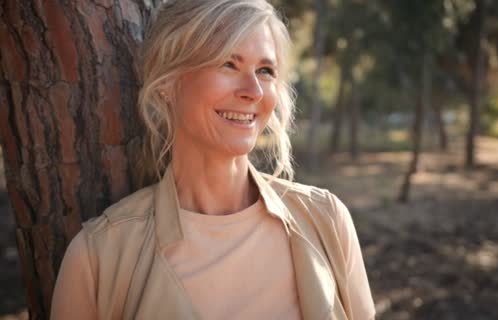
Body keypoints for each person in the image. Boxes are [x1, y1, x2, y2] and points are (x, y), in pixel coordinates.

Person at [50, 0, 375, 319]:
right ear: (167, 82)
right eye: (228, 64)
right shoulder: (99, 258)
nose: (254, 91)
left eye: (265, 70)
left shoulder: (327, 221)